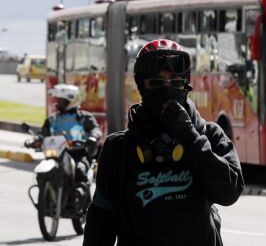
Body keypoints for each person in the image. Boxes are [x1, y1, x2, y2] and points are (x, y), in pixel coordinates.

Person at [83, 39, 244, 246]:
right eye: (156, 84)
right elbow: (100, 223)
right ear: (142, 86)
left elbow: (229, 193)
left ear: (186, 86)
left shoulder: (210, 135)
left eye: (176, 83)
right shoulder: (118, 148)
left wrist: (189, 135)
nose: (167, 90)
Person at [25, 84, 102, 182]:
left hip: (78, 153)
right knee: (41, 175)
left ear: (71, 100)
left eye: (61, 100)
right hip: (56, 154)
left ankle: (81, 195)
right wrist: (35, 140)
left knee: (80, 171)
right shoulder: (52, 119)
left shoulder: (84, 117)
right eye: (58, 100)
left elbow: (95, 129)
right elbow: (43, 133)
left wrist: (93, 137)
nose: (58, 103)